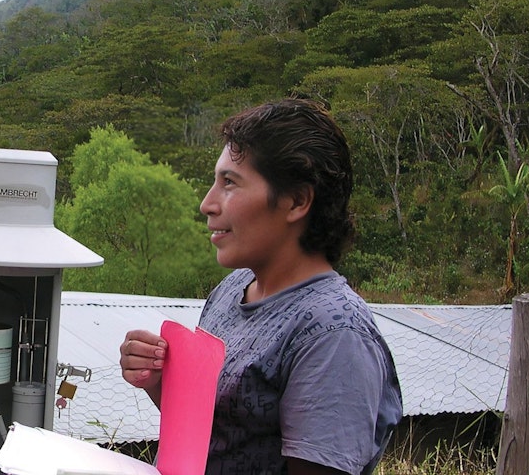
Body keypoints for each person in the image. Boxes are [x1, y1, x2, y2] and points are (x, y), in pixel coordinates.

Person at [120, 98, 402, 475]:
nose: (207, 204)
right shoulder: (233, 288)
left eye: (230, 184)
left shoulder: (333, 334)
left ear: (297, 201)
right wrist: (158, 381)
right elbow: (220, 434)